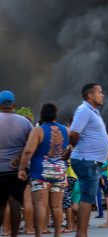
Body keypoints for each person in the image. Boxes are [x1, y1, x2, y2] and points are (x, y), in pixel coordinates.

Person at [63, 83, 108, 237]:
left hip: (91, 160)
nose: (102, 95)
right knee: (87, 198)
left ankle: (82, 233)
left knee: (88, 198)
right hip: (86, 160)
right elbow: (74, 133)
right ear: (90, 95)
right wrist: (72, 148)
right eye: (99, 92)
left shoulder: (93, 111)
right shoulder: (83, 110)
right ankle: (81, 234)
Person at [17, 103, 69, 237]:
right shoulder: (66, 130)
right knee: (57, 206)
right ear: (55, 115)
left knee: (40, 205)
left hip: (40, 172)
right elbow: (72, 145)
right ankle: (57, 234)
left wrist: (21, 168)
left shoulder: (38, 131)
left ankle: (39, 234)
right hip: (59, 172)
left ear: (42, 115)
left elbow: (28, 151)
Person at [0, 90, 33, 237]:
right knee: (15, 203)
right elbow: (32, 145)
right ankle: (14, 234)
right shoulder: (24, 122)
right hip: (17, 169)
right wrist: (20, 157)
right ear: (13, 104)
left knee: (0, 204)